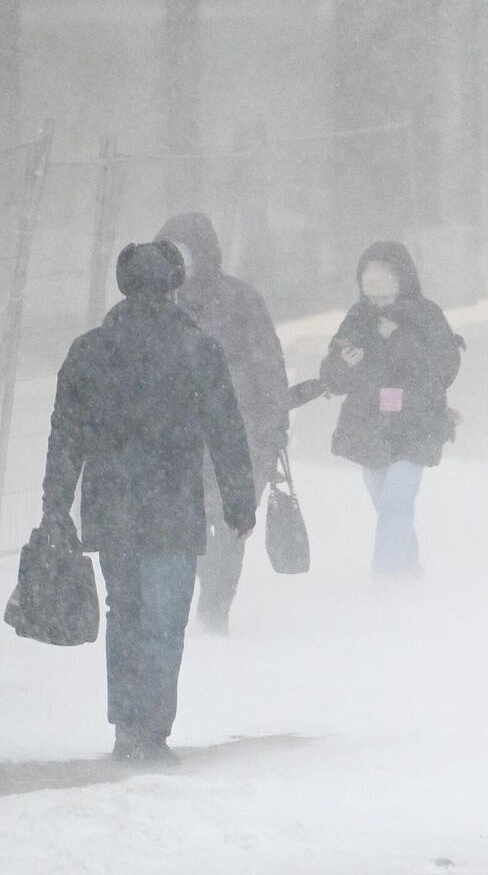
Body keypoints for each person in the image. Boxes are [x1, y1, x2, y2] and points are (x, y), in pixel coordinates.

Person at [40, 242, 256, 763]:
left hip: (112, 503)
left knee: (126, 614)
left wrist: (56, 505)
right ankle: (153, 730)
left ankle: (127, 726)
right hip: (173, 504)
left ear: (123, 286)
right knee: (164, 618)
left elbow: (65, 435)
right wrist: (239, 503)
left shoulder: (90, 350)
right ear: (175, 285)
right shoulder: (197, 349)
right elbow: (226, 430)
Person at [153, 212, 288, 636]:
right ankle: (192, 610)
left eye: (186, 251)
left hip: (238, 432)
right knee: (183, 524)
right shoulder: (151, 301)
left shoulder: (240, 299)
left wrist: (273, 425)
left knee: (229, 525)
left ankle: (214, 612)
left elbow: (267, 365)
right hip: (174, 438)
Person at [318, 242, 464, 576]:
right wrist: (343, 364)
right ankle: (408, 567)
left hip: (415, 424)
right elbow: (332, 379)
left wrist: (399, 339)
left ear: (402, 282)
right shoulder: (359, 317)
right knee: (385, 502)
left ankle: (385, 579)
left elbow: (443, 370)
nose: (379, 304)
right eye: (372, 297)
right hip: (370, 426)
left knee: (396, 502)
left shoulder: (427, 315)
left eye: (385, 296)